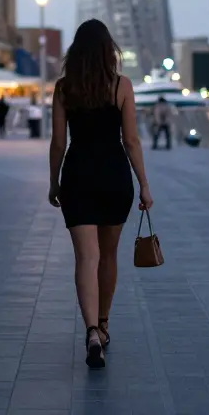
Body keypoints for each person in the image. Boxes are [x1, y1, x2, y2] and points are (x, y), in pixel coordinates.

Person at [48, 19, 153, 369]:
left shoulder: (64, 89)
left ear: (75, 52)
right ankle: (104, 326)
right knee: (108, 257)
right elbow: (131, 140)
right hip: (113, 177)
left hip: (77, 176)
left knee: (85, 259)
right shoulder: (121, 85)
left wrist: (54, 182)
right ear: (109, 50)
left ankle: (91, 330)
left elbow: (58, 143)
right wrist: (144, 184)